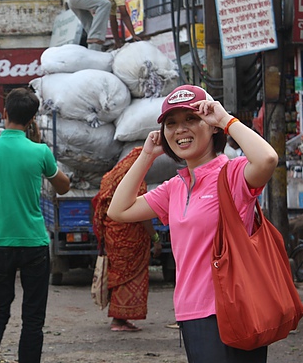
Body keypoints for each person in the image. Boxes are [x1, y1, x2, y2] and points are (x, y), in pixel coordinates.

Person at [107, 85, 278, 362]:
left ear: (210, 126)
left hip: (233, 308)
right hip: (191, 313)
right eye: (171, 124)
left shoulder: (232, 174)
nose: (180, 130)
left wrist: (226, 120)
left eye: (191, 119)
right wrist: (147, 155)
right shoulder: (175, 187)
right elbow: (119, 210)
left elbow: (268, 159)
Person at [0, 88, 71, 363]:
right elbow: (63, 187)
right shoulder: (39, 152)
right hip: (35, 244)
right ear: (33, 119)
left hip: (0, 243)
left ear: (4, 114)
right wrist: (38, 146)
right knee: (33, 317)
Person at [91, 147, 162, 332]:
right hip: (131, 238)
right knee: (128, 276)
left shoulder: (110, 177)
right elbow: (143, 214)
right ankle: (119, 319)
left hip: (113, 236)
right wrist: (154, 237)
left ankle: (120, 318)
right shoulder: (136, 182)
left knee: (118, 274)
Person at [69, 0, 142, 51]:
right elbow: (124, 14)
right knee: (105, 4)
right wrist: (134, 35)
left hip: (74, 1)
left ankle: (93, 50)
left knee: (91, 27)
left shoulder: (112, 0)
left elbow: (114, 22)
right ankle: (96, 38)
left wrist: (117, 42)